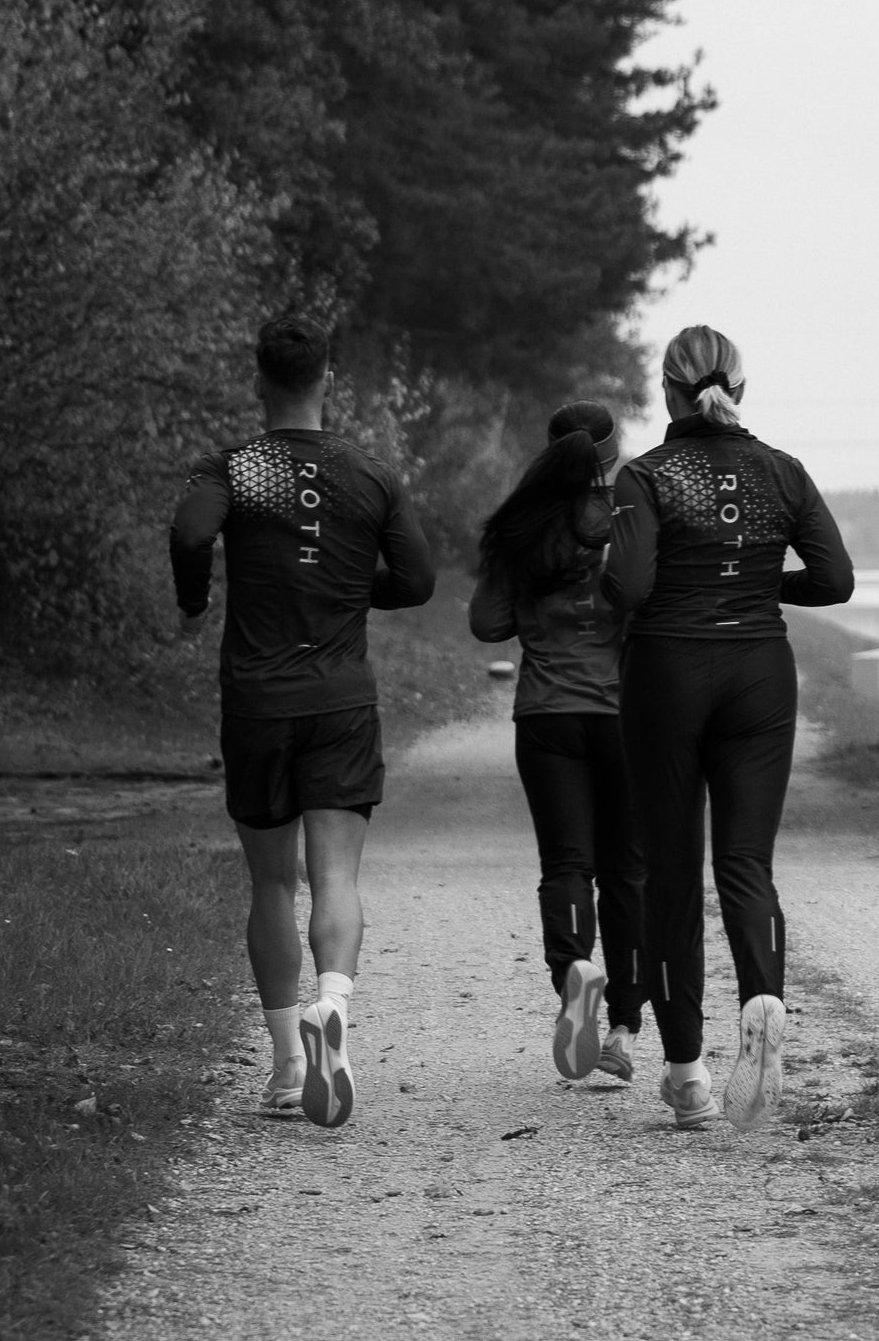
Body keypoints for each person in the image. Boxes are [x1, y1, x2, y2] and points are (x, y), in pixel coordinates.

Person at [171, 316, 436, 1128]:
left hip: (257, 701)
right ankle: (334, 1003)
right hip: (340, 701)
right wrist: (356, 588)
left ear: (261, 380)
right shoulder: (370, 473)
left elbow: (189, 532)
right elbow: (419, 580)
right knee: (336, 880)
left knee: (271, 882)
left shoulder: (234, 467)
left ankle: (290, 1066)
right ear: (328, 379)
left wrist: (195, 601)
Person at [606, 325, 854, 1133]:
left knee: (673, 873)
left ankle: (687, 1076)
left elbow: (631, 585)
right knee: (746, 862)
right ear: (740, 389)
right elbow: (835, 579)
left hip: (668, 674)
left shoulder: (644, 476)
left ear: (668, 392)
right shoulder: (783, 471)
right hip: (759, 673)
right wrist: (754, 581)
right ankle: (765, 998)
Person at [470, 402, 658, 1091]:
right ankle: (623, 1027)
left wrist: (530, 602)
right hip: (622, 715)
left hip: (546, 714)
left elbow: (487, 622)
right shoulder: (632, 512)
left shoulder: (527, 521)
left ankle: (573, 971)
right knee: (628, 872)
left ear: (552, 453)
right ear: (612, 453)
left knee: (566, 865)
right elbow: (646, 595)